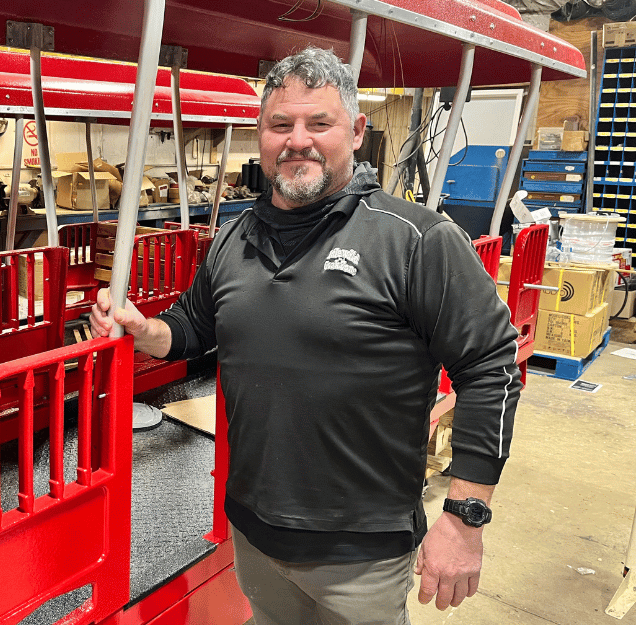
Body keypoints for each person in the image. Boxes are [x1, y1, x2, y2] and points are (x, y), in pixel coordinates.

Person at [91, 47, 521, 625]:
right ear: (260, 134)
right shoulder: (232, 239)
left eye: (319, 123)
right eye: (280, 124)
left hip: (361, 550)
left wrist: (466, 517)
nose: (298, 140)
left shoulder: (415, 240)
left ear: (357, 131)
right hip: (254, 533)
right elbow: (195, 326)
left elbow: (491, 366)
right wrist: (147, 332)